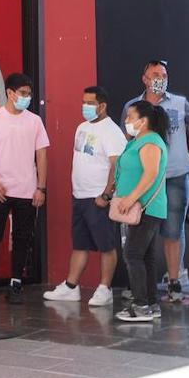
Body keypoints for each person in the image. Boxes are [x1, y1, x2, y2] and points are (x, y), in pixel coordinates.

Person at [122, 60, 189, 302]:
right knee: (141, 231)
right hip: (142, 179)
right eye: (155, 74)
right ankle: (142, 286)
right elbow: (126, 142)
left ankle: (174, 282)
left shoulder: (180, 103)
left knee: (173, 230)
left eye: (163, 74)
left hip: (174, 176)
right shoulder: (132, 106)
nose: (160, 78)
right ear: (144, 78)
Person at [0, 73, 50, 305]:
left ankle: (16, 282)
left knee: (23, 238)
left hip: (27, 189)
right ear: (10, 93)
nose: (27, 98)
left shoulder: (34, 121)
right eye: (23, 93)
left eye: (29, 94)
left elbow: (42, 155)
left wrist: (41, 188)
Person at [43, 86, 123, 307]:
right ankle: (71, 287)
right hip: (79, 195)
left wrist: (107, 195)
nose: (85, 107)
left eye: (89, 103)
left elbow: (118, 165)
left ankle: (105, 288)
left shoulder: (112, 131)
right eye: (83, 102)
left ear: (102, 106)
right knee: (80, 243)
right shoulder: (81, 127)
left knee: (106, 245)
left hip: (99, 198)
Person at [113, 101, 170, 323]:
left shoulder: (151, 142)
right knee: (145, 256)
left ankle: (141, 305)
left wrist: (130, 198)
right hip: (141, 207)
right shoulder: (138, 141)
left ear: (143, 121)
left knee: (133, 254)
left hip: (145, 207)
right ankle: (150, 303)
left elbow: (150, 173)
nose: (126, 121)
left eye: (130, 117)